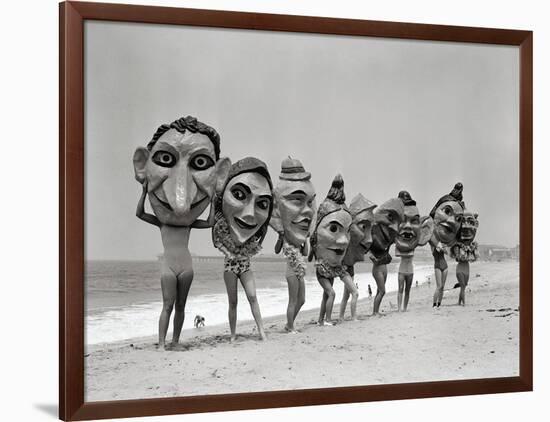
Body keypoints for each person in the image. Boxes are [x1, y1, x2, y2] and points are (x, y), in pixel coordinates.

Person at [133, 115, 231, 349]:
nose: (180, 203)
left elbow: (208, 223)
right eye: (166, 159)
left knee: (180, 307)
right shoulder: (162, 222)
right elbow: (139, 213)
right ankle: (161, 342)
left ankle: (175, 341)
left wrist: (213, 197)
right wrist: (145, 192)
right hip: (169, 266)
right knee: (167, 305)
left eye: (200, 163)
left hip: (186, 266)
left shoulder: (185, 224)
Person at [212, 157, 274, 341]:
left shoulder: (252, 232)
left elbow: (261, 235)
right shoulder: (224, 226)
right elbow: (215, 238)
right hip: (230, 267)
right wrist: (213, 200)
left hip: (245, 266)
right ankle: (232, 335)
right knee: (233, 302)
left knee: (253, 297)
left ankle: (262, 331)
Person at [270, 158, 316, 333]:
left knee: (302, 299)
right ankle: (290, 326)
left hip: (300, 268)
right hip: (290, 271)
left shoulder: (300, 235)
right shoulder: (286, 233)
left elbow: (304, 252)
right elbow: (276, 250)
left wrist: (306, 239)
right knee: (292, 300)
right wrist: (281, 235)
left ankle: (290, 323)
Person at [309, 175, 352, 325]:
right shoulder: (316, 235)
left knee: (326, 295)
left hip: (332, 268)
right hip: (321, 268)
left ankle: (321, 319)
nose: (344, 240)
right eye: (333, 228)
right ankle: (327, 320)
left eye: (348, 231)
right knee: (331, 293)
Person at [338, 194, 376, 321]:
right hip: (344, 269)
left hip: (350, 268)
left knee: (346, 295)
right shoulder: (346, 235)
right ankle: (353, 317)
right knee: (355, 293)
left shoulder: (356, 241)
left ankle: (341, 317)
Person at [394, 191, 433, 311]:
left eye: (413, 221)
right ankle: (399, 308)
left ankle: (404, 308)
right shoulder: (400, 243)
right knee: (400, 290)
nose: (407, 226)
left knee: (407, 290)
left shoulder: (414, 242)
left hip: (410, 270)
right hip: (401, 270)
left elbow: (425, 235)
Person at [429, 183, 465, 307]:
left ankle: (439, 304)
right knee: (438, 286)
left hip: (444, 266)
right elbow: (431, 238)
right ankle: (434, 304)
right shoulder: (434, 241)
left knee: (442, 287)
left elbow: (452, 245)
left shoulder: (444, 242)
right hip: (438, 266)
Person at [368, 198, 404, 315]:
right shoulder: (373, 238)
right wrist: (373, 257)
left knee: (380, 290)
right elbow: (367, 249)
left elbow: (394, 239)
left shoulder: (387, 241)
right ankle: (374, 312)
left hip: (384, 268)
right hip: (377, 269)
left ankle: (376, 311)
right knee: (382, 291)